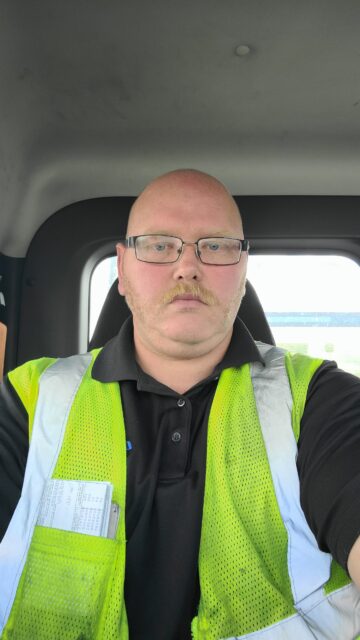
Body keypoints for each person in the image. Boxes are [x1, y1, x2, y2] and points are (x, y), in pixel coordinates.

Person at [0, 169, 360, 640]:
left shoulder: (318, 399)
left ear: (243, 268)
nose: (187, 267)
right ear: (123, 269)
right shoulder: (28, 400)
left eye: (215, 245)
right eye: (158, 244)